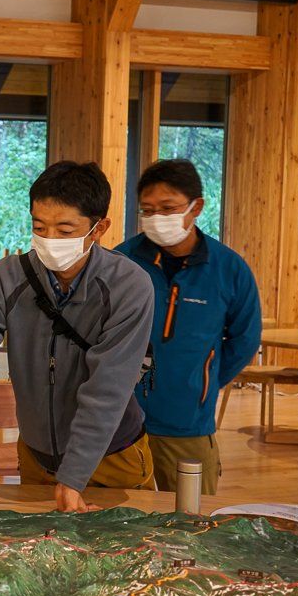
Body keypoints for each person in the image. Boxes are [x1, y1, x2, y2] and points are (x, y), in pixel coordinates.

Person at [0, 161, 156, 512]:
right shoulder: (5, 278)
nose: (50, 241)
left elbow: (107, 388)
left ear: (99, 228)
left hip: (112, 457)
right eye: (39, 227)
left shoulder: (129, 286)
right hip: (36, 457)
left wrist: (73, 476)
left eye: (65, 230)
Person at [116, 159, 261, 495]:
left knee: (189, 523)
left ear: (197, 207)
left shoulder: (228, 268)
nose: (156, 218)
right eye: (148, 210)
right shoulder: (122, 261)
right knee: (123, 522)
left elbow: (245, 338)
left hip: (188, 425)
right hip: (122, 423)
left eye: (168, 208)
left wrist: (203, 381)